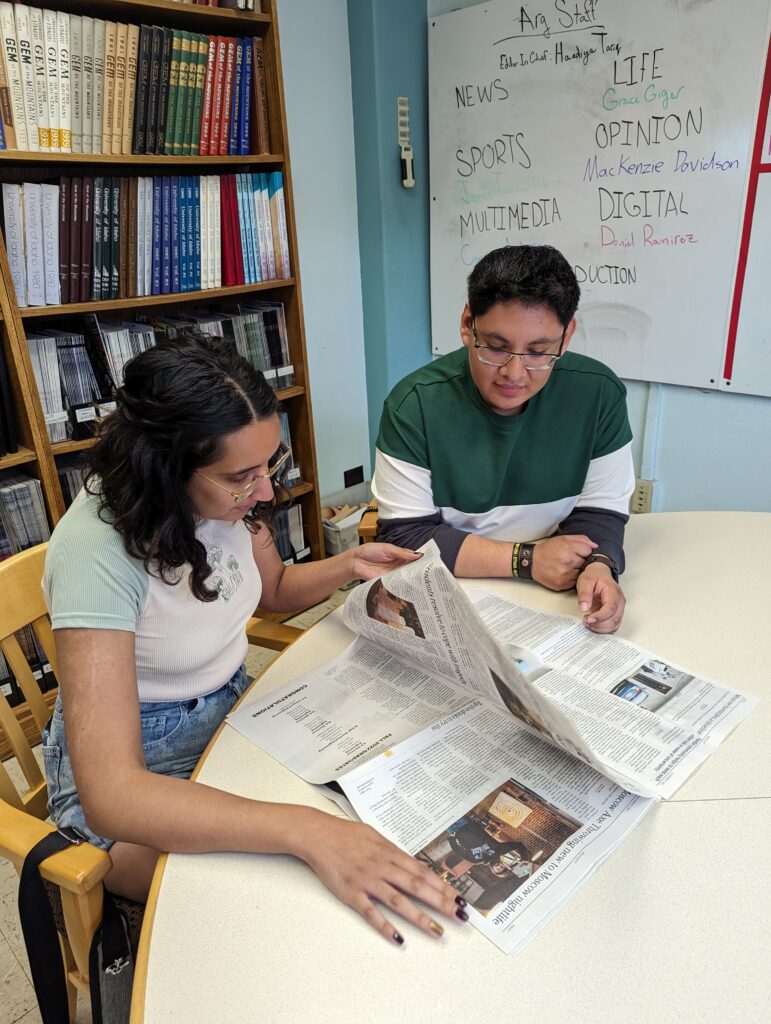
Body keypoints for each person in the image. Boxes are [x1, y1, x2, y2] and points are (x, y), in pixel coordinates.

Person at [41, 333, 468, 946]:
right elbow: (114, 796)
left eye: (270, 464)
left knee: (374, 810)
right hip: (136, 778)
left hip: (229, 713)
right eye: (242, 476)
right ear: (165, 468)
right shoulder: (96, 558)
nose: (265, 491)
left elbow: (273, 589)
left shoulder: (230, 498)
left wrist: (348, 566)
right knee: (277, 900)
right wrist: (303, 831)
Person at [372, 244, 635, 634]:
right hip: (450, 588)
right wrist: (526, 560)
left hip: (554, 595)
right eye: (495, 348)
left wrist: (599, 564)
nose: (514, 373)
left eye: (538, 352)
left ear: (566, 337)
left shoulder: (598, 394)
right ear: (467, 324)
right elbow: (406, 536)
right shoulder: (414, 404)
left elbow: (600, 512)